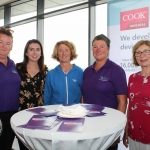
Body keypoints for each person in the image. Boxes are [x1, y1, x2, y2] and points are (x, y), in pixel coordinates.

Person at [81, 34, 128, 150]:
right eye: (94, 47)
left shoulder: (116, 70)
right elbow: (84, 96)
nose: (98, 50)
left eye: (102, 46)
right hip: (88, 126)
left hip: (108, 127)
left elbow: (122, 102)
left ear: (108, 49)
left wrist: (117, 129)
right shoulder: (87, 71)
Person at [16, 39, 48, 150]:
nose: (34, 53)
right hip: (21, 114)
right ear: (26, 52)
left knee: (38, 145)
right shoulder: (18, 68)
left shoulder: (45, 70)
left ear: (41, 53)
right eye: (31, 49)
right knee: (24, 145)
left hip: (40, 115)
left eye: (38, 50)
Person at [123, 40, 150, 150]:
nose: (142, 55)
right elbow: (131, 105)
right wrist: (126, 129)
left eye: (146, 51)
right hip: (134, 133)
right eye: (138, 52)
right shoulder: (132, 78)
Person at [0, 27, 21, 150]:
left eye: (8, 43)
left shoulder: (13, 64)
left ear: (11, 47)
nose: (4, 46)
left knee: (7, 146)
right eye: (0, 42)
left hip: (12, 116)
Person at [44, 40, 83, 105]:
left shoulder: (79, 72)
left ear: (71, 53)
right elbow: (47, 98)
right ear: (57, 54)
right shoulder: (51, 74)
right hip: (56, 112)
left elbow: (84, 94)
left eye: (66, 50)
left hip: (75, 112)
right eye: (60, 50)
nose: (64, 53)